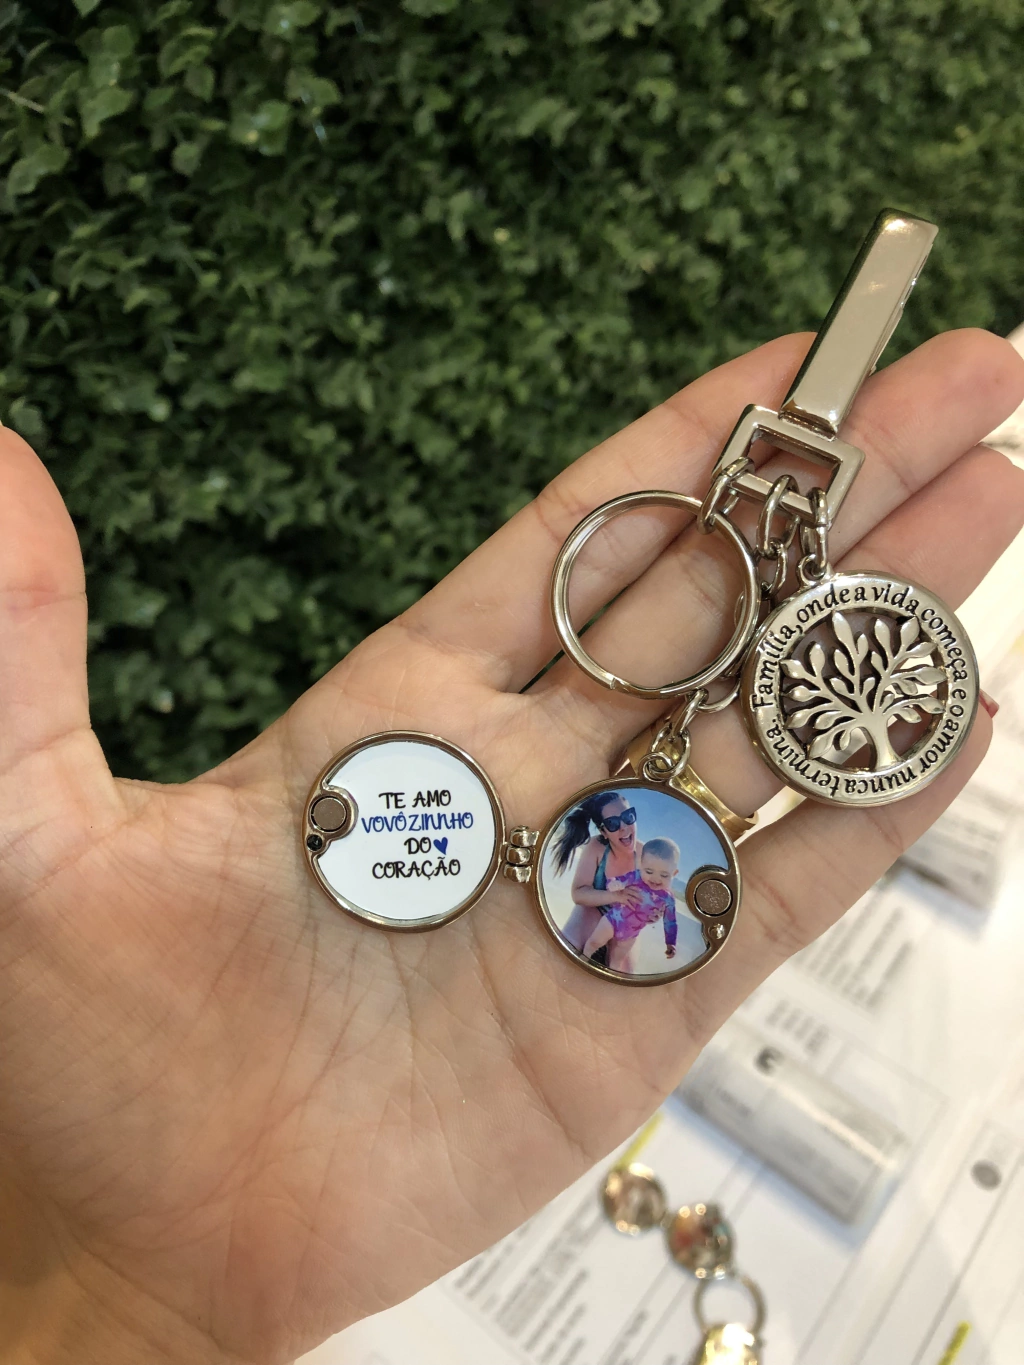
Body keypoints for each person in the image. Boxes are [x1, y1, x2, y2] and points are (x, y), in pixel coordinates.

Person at [0, 328, 1017, 1364]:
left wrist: (136, 1306)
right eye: (644, 853)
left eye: (645, 855)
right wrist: (135, 1300)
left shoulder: (629, 868)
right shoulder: (599, 866)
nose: (646, 860)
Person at [552, 791, 643, 960]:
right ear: (604, 831)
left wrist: (654, 911)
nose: (623, 826)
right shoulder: (597, 847)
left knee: (619, 967)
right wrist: (617, 896)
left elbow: (657, 894)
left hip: (623, 924)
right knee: (567, 950)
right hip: (592, 912)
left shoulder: (646, 855)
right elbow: (579, 893)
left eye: (628, 816)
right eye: (612, 823)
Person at [582, 837, 680, 972]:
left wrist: (670, 942)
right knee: (594, 942)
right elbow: (617, 881)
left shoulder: (667, 898)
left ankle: (609, 977)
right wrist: (615, 885)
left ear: (674, 873)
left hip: (631, 932)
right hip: (613, 919)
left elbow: (670, 922)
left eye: (664, 875)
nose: (655, 878)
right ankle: (583, 958)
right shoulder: (636, 877)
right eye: (649, 871)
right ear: (641, 864)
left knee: (616, 960)